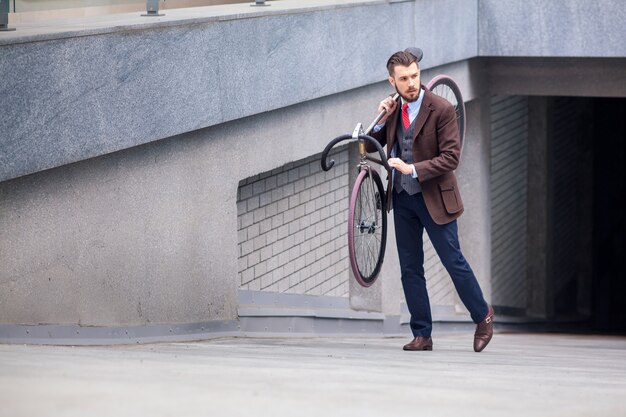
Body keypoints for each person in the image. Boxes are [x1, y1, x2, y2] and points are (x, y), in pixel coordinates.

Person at [367, 49, 494, 352]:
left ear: (419, 74)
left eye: (414, 76)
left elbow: (451, 158)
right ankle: (422, 334)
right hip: (403, 197)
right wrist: (380, 118)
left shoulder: (442, 108)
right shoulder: (394, 109)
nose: (411, 83)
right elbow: (371, 145)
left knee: (453, 261)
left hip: (435, 197)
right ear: (392, 81)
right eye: (403, 79)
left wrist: (412, 168)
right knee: (411, 268)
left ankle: (483, 316)